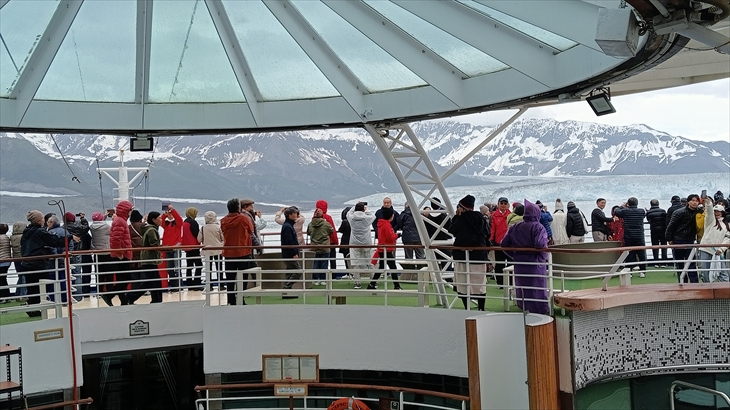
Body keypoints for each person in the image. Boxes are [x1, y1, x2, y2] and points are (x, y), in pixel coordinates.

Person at [21, 210, 78, 316]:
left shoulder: (27, 231)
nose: (44, 220)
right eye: (42, 218)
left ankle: (32, 308)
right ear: (39, 220)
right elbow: (54, 240)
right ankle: (36, 307)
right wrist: (69, 237)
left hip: (27, 263)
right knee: (44, 285)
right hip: (37, 264)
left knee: (32, 287)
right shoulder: (40, 232)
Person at [501, 199, 550, 314]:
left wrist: (514, 255)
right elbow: (540, 244)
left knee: (523, 288)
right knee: (537, 288)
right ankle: (540, 310)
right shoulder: (538, 227)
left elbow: (504, 244)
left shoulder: (515, 226)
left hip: (520, 263)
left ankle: (524, 308)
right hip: (535, 264)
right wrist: (544, 257)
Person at [448, 195, 489, 311]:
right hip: (479, 255)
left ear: (462, 207)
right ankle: (481, 308)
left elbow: (452, 230)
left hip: (462, 256)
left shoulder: (460, 219)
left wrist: (456, 216)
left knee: (463, 284)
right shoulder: (480, 217)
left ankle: (467, 308)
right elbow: (487, 233)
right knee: (480, 284)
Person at [220, 198, 255, 305]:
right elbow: (251, 230)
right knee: (243, 278)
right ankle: (241, 299)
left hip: (228, 253)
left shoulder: (223, 221)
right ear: (238, 208)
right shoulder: (244, 219)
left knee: (230, 279)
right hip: (243, 252)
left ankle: (231, 300)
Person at [127, 212, 164, 304]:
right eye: (159, 218)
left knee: (154, 281)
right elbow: (154, 244)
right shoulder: (151, 230)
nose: (161, 220)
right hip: (150, 259)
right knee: (151, 281)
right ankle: (130, 296)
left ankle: (156, 299)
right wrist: (166, 248)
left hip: (147, 258)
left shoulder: (149, 229)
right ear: (153, 220)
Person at [666, 194, 701, 283]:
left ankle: (694, 283)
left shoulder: (699, 212)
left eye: (696, 201)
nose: (694, 203)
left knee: (691, 263)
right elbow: (671, 226)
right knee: (680, 263)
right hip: (678, 240)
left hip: (690, 240)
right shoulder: (679, 212)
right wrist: (669, 239)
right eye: (692, 200)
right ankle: (682, 282)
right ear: (688, 202)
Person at [108, 200, 135, 306]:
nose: (131, 212)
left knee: (122, 279)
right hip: (121, 256)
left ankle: (124, 301)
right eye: (130, 210)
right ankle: (109, 295)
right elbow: (115, 239)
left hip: (121, 254)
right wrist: (119, 252)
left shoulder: (120, 220)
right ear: (126, 210)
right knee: (126, 278)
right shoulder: (120, 221)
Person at [368, 207, 402, 290]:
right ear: (391, 216)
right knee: (393, 267)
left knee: (382, 267)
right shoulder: (387, 225)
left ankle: (372, 284)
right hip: (386, 249)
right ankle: (396, 286)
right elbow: (390, 237)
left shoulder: (381, 224)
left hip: (382, 249)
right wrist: (397, 235)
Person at [697, 198, 730, 282]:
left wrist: (721, 249)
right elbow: (709, 213)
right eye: (715, 211)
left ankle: (725, 288)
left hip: (718, 251)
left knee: (723, 273)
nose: (717, 213)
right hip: (705, 249)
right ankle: (707, 288)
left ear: (723, 212)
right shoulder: (710, 221)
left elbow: (728, 238)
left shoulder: (727, 225)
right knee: (706, 273)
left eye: (719, 211)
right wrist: (708, 203)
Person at [615, 197, 648, 277]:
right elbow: (644, 215)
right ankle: (642, 271)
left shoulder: (625, 211)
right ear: (637, 203)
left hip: (629, 235)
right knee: (641, 254)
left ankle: (629, 271)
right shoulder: (641, 211)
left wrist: (622, 206)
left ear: (628, 204)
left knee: (629, 253)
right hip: (639, 235)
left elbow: (616, 211)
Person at [347, 202, 376, 289]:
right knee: (370, 262)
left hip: (354, 243)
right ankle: (373, 281)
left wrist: (355, 206)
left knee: (355, 263)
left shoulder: (351, 218)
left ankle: (357, 282)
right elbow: (373, 216)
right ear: (363, 209)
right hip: (367, 243)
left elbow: (349, 212)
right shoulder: (367, 218)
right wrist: (366, 209)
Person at [307, 208, 334, 286]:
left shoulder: (310, 224)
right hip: (324, 247)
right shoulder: (326, 224)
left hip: (314, 247)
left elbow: (308, 232)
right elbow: (331, 231)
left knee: (315, 264)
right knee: (324, 264)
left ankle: (316, 279)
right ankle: (323, 279)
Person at [198, 211, 224, 290]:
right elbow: (223, 238)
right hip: (218, 250)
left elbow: (199, 239)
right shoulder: (218, 227)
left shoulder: (203, 228)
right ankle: (221, 285)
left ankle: (209, 286)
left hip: (207, 251)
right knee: (219, 268)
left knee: (208, 269)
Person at [489, 196, 511, 287]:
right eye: (501, 203)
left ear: (508, 205)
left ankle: (510, 282)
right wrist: (491, 240)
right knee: (499, 263)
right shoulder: (494, 216)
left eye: (505, 203)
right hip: (498, 243)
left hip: (509, 244)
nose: (503, 205)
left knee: (510, 263)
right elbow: (492, 229)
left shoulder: (510, 215)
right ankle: (500, 282)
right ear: (498, 204)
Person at [280, 206, 302, 298]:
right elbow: (289, 241)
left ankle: (287, 292)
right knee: (298, 271)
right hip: (289, 253)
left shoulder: (288, 225)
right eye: (295, 214)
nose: (297, 215)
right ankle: (286, 288)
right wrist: (294, 253)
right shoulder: (288, 227)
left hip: (287, 253)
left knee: (290, 271)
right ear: (290, 215)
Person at [90, 211, 112, 298]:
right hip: (107, 252)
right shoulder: (106, 227)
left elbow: (99, 223)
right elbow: (112, 230)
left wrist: (103, 217)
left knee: (99, 273)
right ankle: (110, 292)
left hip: (97, 253)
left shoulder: (92, 227)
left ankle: (99, 292)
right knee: (109, 274)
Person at [161, 204, 183, 292]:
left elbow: (179, 219)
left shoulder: (178, 224)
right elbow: (161, 221)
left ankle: (178, 286)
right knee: (170, 269)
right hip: (167, 248)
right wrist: (164, 214)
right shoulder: (166, 224)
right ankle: (173, 286)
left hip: (176, 248)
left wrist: (173, 210)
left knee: (177, 268)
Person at [315, 200, 339, 273]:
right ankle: (333, 275)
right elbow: (332, 230)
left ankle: (319, 276)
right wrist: (336, 241)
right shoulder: (328, 218)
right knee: (332, 259)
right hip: (330, 242)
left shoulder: (314, 218)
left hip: (318, 243)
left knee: (319, 261)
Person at [182, 207, 203, 290]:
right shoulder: (193, 222)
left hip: (187, 247)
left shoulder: (185, 221)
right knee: (199, 265)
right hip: (194, 246)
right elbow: (196, 234)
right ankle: (196, 283)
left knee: (189, 266)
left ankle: (189, 283)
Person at [645, 199, 668, 266]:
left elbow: (649, 220)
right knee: (664, 246)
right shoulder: (663, 211)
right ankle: (664, 262)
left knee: (655, 246)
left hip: (654, 230)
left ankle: (656, 262)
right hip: (663, 230)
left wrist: (648, 211)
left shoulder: (649, 212)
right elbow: (665, 219)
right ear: (658, 204)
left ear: (651, 204)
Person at [10, 221, 27, 299]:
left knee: (20, 275)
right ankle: (23, 294)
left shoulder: (12, 237)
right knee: (24, 276)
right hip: (23, 258)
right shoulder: (23, 237)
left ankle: (18, 293)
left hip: (16, 258)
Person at [338, 207, 352, 273]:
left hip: (345, 241)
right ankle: (353, 272)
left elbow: (340, 230)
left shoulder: (345, 222)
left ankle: (348, 272)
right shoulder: (353, 220)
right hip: (353, 240)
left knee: (346, 258)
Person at [0, 224, 11, 302]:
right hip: (7, 260)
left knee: (1, 280)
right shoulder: (6, 237)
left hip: (1, 261)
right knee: (3, 279)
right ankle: (7, 296)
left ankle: (2, 297)